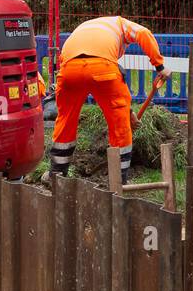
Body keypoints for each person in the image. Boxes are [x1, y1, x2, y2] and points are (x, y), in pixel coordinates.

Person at [50, 16, 169, 180]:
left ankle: (56, 173)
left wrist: (130, 113)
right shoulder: (121, 25)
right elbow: (143, 33)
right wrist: (160, 66)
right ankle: (118, 180)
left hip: (69, 70)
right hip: (103, 69)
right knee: (119, 124)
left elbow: (72, 64)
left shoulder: (85, 27)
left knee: (66, 118)